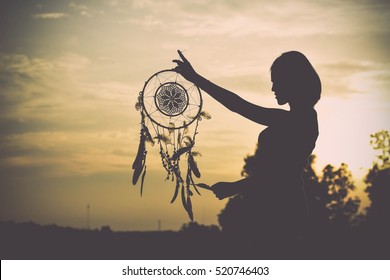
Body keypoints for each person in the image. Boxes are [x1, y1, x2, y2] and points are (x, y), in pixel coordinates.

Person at [173, 50, 321, 257]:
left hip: (283, 212)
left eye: (277, 82)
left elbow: (281, 176)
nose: (273, 88)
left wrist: (235, 187)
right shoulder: (301, 117)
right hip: (277, 209)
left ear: (292, 82)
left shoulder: (299, 119)